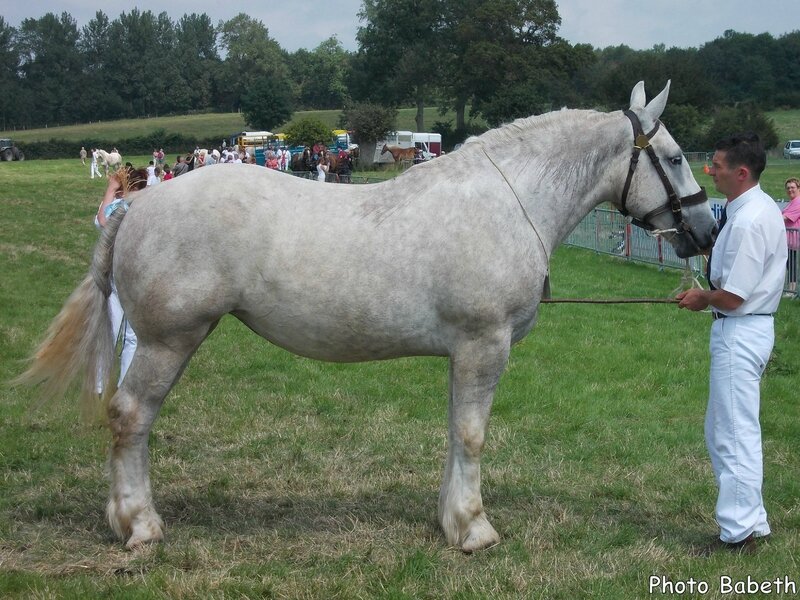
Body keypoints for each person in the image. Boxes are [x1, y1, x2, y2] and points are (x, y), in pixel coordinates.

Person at [676, 133, 786, 554]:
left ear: (741, 173)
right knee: (727, 428)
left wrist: (702, 297)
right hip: (742, 328)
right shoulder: (750, 210)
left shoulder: (750, 219)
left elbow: (734, 295)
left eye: (716, 165)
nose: (710, 170)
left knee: (733, 433)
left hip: (740, 328)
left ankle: (737, 533)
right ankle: (752, 521)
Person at [94, 167, 148, 395]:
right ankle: (119, 383)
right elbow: (103, 222)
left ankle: (99, 383)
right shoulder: (134, 206)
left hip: (117, 272)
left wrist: (111, 189)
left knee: (114, 330)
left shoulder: (120, 205)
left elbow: (101, 221)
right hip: (132, 273)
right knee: (130, 335)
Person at [781, 177, 800, 294]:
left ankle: (792, 290)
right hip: (789, 239)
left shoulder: (798, 202)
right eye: (788, 188)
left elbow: (784, 217)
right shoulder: (792, 202)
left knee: (792, 265)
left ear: (798, 188)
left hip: (794, 239)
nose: (790, 190)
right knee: (789, 264)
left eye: (792, 187)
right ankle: (791, 289)